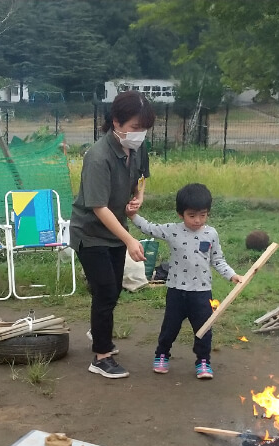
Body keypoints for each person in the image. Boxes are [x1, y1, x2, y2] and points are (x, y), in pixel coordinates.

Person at [70, 91, 154, 379]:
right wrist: (130, 239)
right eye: (134, 127)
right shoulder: (97, 157)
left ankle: (99, 331)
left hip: (115, 231)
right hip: (90, 233)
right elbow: (98, 207)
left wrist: (138, 197)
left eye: (144, 129)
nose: (139, 134)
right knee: (105, 290)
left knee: (113, 289)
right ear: (116, 121)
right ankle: (101, 356)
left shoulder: (138, 147)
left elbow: (141, 177)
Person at [126, 183, 243, 380]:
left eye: (203, 215)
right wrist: (132, 216)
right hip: (176, 291)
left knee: (204, 329)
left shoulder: (211, 234)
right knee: (169, 327)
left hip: (201, 292)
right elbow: (149, 228)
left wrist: (232, 275)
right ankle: (162, 355)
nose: (198, 220)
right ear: (181, 214)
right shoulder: (173, 231)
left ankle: (203, 361)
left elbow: (218, 260)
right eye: (192, 216)